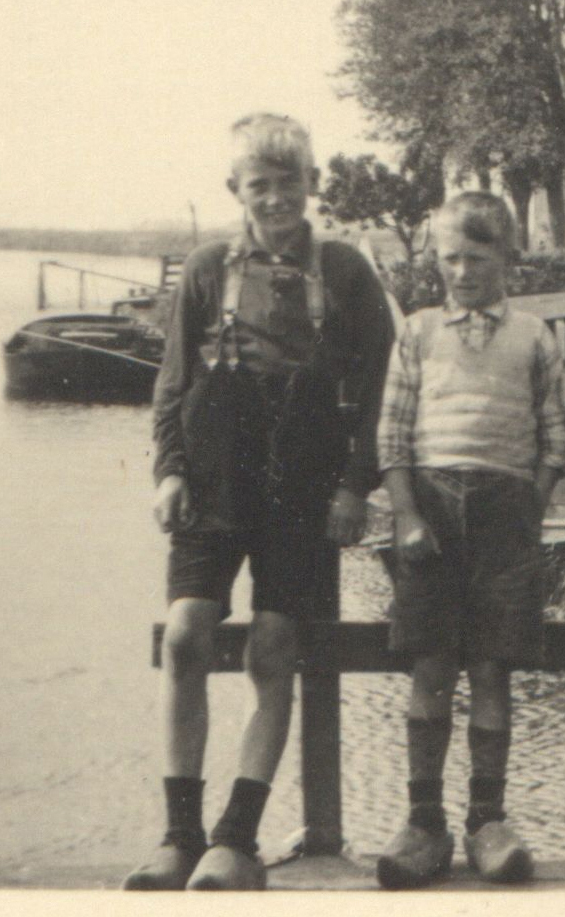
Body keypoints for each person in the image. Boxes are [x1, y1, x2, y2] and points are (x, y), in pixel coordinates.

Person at [126, 113, 391, 891]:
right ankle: (178, 835)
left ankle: (235, 840)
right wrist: (169, 471)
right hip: (214, 476)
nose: (275, 198)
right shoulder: (208, 268)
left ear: (313, 184)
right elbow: (173, 380)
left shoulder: (344, 270)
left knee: (274, 646)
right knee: (185, 637)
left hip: (302, 483)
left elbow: (383, 388)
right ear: (235, 189)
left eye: (289, 183)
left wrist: (355, 484)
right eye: (259, 185)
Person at [373, 192, 565, 889]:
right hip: (429, 511)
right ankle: (423, 822)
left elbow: (553, 436)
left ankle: (487, 819)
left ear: (507, 259)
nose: (462, 272)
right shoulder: (419, 331)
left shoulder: (534, 336)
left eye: (478, 259)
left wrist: (529, 505)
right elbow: (393, 435)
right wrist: (406, 514)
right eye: (451, 258)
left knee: (491, 669)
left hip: (505, 513)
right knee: (431, 667)